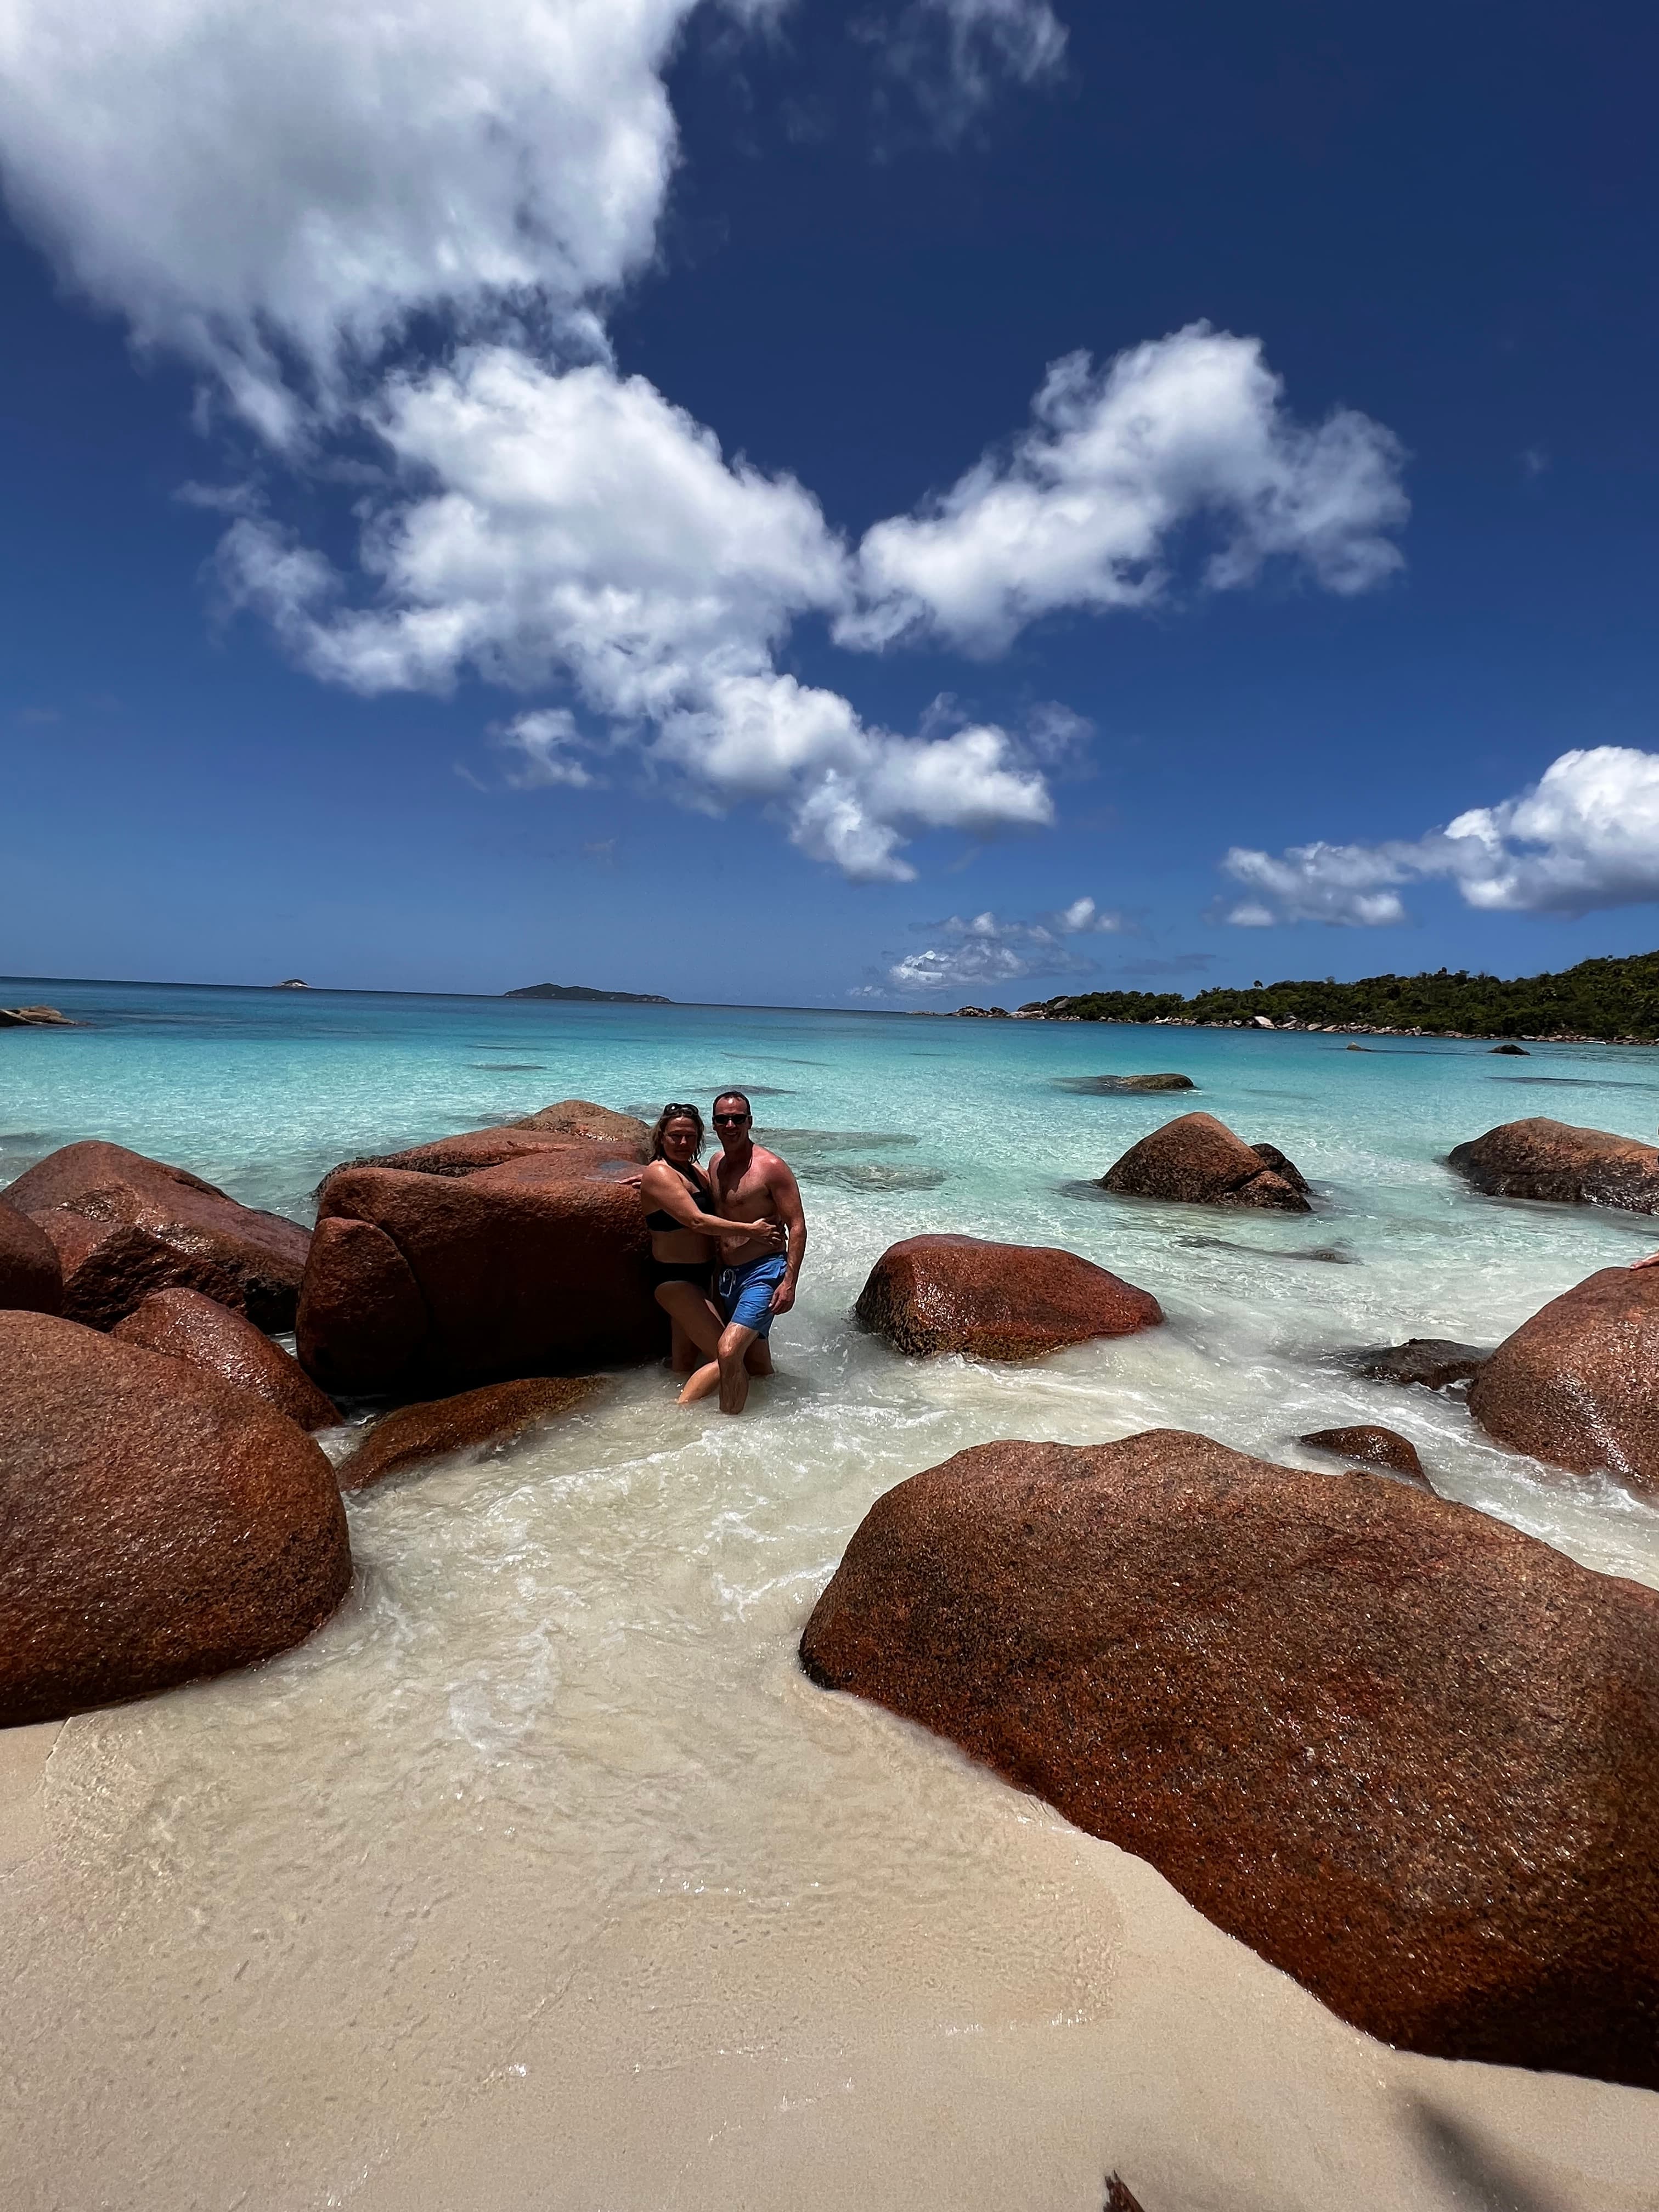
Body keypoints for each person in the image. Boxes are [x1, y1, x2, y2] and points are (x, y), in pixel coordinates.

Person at [636, 1103, 782, 1406]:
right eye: (676, 1136)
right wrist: (752, 1230)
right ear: (661, 1136)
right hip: (676, 1280)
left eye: (690, 1137)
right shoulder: (660, 1173)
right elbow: (697, 1221)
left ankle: (663, 1401)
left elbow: (710, 1198)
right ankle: (675, 1418)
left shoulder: (693, 1172)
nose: (683, 1143)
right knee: (726, 1358)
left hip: (706, 1277)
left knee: (684, 1362)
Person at [679, 1091, 806, 1417]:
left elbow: (797, 1226)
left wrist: (789, 1282)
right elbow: (711, 1196)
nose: (731, 1124)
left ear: (750, 1122)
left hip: (764, 1274)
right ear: (714, 1124)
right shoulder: (716, 1164)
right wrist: (658, 1178)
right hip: (727, 1276)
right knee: (759, 1364)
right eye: (723, 1119)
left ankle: (728, 1432)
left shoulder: (772, 1168)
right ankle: (788, 1415)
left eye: (738, 1118)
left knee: (728, 1350)